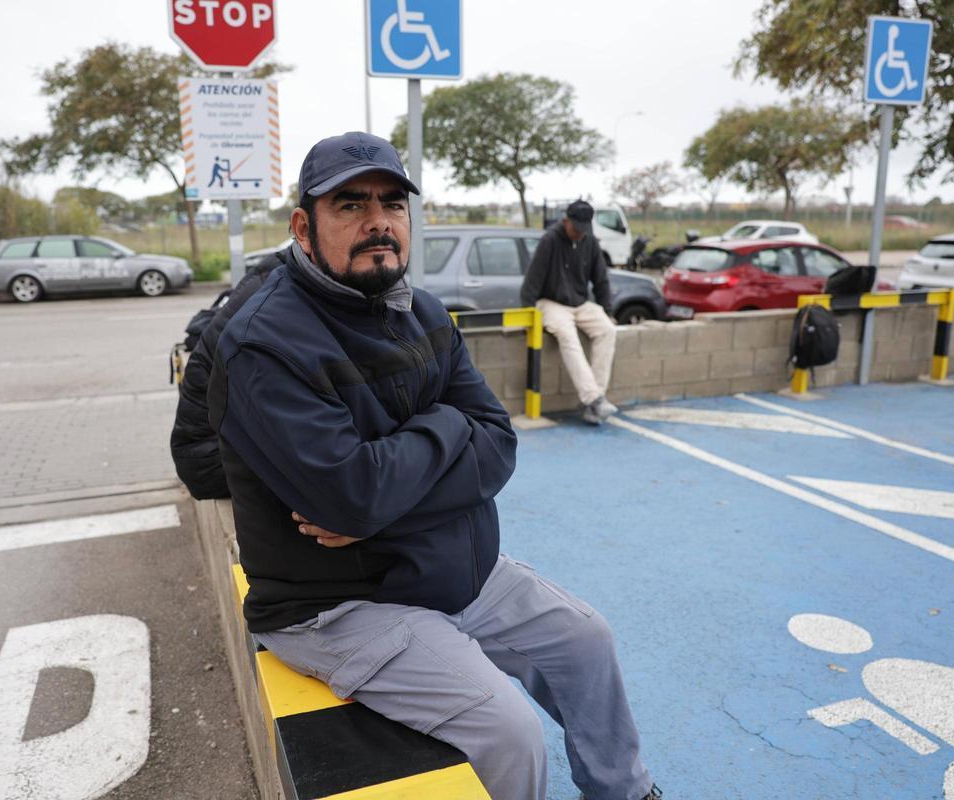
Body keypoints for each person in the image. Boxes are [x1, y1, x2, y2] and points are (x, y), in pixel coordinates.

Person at [207, 131, 659, 800]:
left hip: (448, 567)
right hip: (335, 602)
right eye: (350, 206)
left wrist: (401, 474)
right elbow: (350, 497)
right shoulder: (264, 342)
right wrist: (449, 429)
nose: (377, 222)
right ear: (304, 226)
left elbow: (498, 445)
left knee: (586, 642)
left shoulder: (420, 312)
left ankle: (624, 792)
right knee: (509, 734)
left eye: (392, 204)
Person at [169, 252, 282, 499]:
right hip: (211, 463)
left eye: (390, 210)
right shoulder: (281, 292)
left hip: (206, 454)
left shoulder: (276, 273)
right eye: (349, 210)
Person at [521, 200, 619, 425]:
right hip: (550, 302)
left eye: (584, 230)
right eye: (576, 229)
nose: (579, 234)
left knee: (607, 330)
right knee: (567, 334)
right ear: (566, 221)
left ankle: (596, 402)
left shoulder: (590, 242)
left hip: (580, 303)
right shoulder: (550, 240)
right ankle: (593, 399)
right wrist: (527, 314)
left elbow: (601, 280)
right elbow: (531, 281)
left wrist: (608, 310)